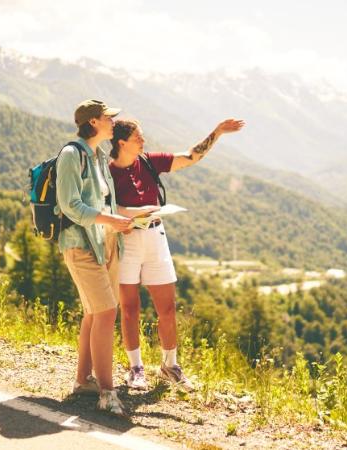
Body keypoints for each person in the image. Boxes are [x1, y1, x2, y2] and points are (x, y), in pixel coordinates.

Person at [109, 117, 245, 391]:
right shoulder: (108, 172)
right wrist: (131, 214)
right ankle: (136, 369)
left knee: (168, 309)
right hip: (127, 243)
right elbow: (105, 209)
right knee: (130, 309)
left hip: (156, 237)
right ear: (122, 142)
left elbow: (190, 157)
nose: (143, 141)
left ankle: (169, 365)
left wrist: (216, 133)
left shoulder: (148, 161)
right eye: (138, 138)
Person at [56, 99, 133, 415]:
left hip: (106, 244)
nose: (113, 121)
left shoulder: (99, 156)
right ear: (92, 123)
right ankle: (107, 392)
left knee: (94, 312)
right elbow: (70, 204)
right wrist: (109, 220)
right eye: (108, 117)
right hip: (81, 245)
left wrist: (124, 221)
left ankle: (83, 381)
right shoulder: (71, 155)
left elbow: (105, 202)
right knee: (105, 312)